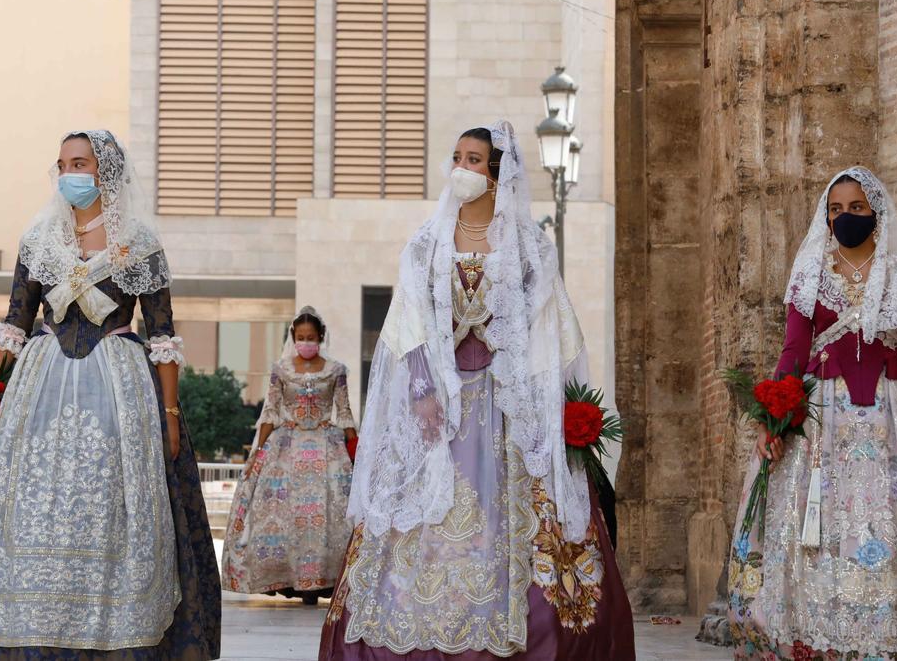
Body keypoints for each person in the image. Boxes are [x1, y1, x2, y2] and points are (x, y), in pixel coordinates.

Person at [319, 121, 635, 660]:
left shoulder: (529, 249)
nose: (461, 168)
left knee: (516, 522)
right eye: (457, 156)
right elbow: (409, 327)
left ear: (495, 173)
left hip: (507, 406)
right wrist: (423, 391)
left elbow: (548, 334)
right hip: (439, 407)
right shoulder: (426, 245)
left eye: (474, 159)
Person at [0, 130, 221, 659]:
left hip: (118, 387)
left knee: (108, 505)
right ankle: (30, 625)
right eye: (61, 164)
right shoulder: (40, 239)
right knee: (31, 501)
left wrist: (170, 413)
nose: (67, 174)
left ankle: (104, 630)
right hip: (40, 387)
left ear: (104, 172)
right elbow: (14, 325)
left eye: (78, 163)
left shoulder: (138, 243)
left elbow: (162, 335)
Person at [728, 167, 897, 660]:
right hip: (824, 421)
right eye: (836, 210)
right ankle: (818, 637)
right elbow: (793, 351)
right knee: (823, 531)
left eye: (857, 208)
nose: (846, 217)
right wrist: (770, 418)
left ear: (876, 213)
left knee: (895, 525)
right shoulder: (810, 272)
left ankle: (896, 639)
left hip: (895, 417)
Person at [221, 306, 356, 603]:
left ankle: (323, 581)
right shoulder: (280, 369)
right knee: (280, 512)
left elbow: (344, 412)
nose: (305, 342)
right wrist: (259, 449)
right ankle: (288, 579)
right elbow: (270, 409)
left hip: (326, 442)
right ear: (293, 337)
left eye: (310, 337)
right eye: (300, 337)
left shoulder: (336, 370)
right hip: (286, 443)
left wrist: (354, 447)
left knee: (330, 513)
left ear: (320, 337)